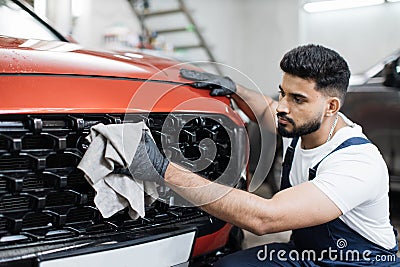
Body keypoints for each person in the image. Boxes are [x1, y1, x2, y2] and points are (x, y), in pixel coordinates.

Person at [127, 44, 400, 266]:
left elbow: (265, 218)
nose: (283, 106)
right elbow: (267, 110)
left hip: (359, 263)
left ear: (331, 106)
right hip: (307, 255)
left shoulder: (356, 163)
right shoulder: (304, 127)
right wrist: (234, 87)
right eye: (283, 93)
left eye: (298, 99)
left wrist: (163, 168)